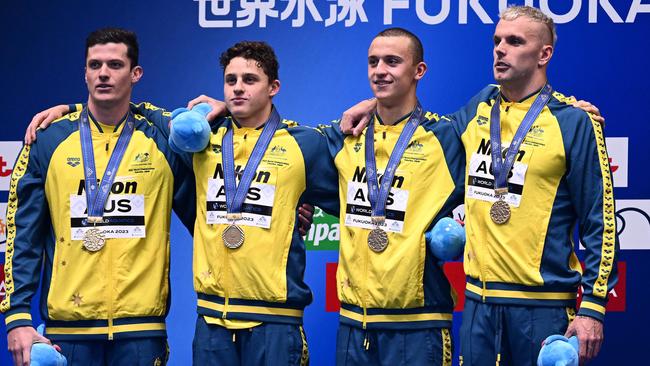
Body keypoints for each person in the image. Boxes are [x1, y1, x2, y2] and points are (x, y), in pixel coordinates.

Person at [340, 6, 617, 366]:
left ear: (544, 54)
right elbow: (421, 132)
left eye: (515, 41)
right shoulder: (478, 110)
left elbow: (601, 220)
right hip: (477, 308)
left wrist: (593, 308)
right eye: (497, 40)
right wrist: (375, 102)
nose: (501, 49)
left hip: (543, 307)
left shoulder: (574, 122)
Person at [2, 28, 196, 366]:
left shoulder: (162, 140)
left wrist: (287, 213)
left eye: (115, 65)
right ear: (85, 72)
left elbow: (209, 208)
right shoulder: (49, 140)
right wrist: (17, 315)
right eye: (95, 65)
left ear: (136, 74)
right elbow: (23, 234)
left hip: (141, 331)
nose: (103, 73)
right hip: (67, 331)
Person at [319, 28, 465, 366]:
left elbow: (505, 114)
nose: (379, 70)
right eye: (373, 62)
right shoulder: (344, 135)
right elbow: (273, 144)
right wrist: (227, 110)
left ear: (419, 71)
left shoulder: (447, 136)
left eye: (392, 61)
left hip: (420, 324)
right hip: (354, 325)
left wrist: (569, 106)